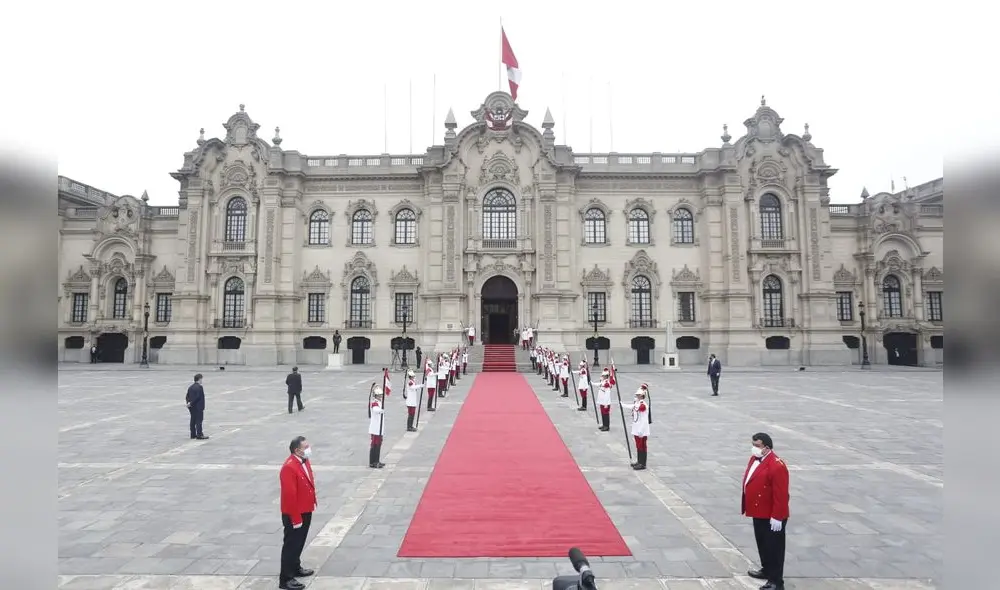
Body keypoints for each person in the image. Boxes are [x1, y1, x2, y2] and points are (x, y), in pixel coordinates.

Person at [742, 432, 790, 590]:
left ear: (767, 448)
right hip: (759, 511)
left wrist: (777, 516)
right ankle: (767, 570)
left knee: (774, 548)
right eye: (753, 444)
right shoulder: (754, 459)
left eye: (757, 446)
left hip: (772, 515)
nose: (754, 448)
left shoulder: (777, 465)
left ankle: (776, 582)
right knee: (762, 543)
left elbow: (781, 494)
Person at [278, 436, 316, 590]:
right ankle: (285, 578)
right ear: (296, 450)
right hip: (295, 513)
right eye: (305, 447)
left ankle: (295, 567)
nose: (308, 449)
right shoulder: (289, 467)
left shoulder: (304, 460)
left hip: (306, 509)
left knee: (299, 542)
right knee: (291, 544)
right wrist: (295, 518)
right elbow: (289, 496)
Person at [621, 386, 650, 470]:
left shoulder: (643, 405)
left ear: (642, 396)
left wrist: (641, 430)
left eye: (638, 395)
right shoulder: (637, 404)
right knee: (638, 446)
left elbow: (642, 416)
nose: (636, 396)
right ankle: (639, 461)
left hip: (642, 430)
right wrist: (623, 405)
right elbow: (632, 406)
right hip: (637, 429)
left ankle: (642, 463)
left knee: (642, 446)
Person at [185, 373, 208, 440]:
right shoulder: (199, 387)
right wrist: (192, 403)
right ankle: (199, 434)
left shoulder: (190, 387)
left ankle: (193, 434)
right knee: (199, 420)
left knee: (193, 420)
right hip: (198, 406)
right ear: (199, 379)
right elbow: (198, 397)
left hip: (191, 407)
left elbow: (187, 396)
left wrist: (188, 403)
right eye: (201, 379)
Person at [368, 386, 386, 468]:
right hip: (375, 428)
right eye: (379, 395)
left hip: (379, 427)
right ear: (375, 396)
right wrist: (381, 410)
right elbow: (375, 409)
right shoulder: (374, 402)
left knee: (378, 444)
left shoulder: (379, 402)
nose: (380, 397)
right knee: (375, 445)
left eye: (381, 395)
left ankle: (376, 461)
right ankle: (373, 462)